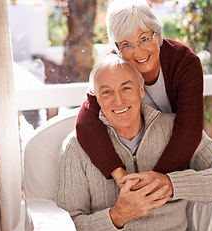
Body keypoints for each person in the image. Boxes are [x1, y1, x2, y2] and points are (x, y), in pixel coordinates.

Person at [56, 54, 212, 231]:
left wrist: (170, 184)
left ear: (141, 89)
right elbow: (63, 230)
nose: (118, 101)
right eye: (107, 92)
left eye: (126, 88)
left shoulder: (177, 130)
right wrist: (117, 216)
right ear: (96, 98)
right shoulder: (75, 148)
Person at [75, 0, 204, 186]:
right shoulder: (113, 67)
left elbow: (189, 129)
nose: (138, 51)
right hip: (136, 157)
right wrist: (120, 176)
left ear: (158, 34)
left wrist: (153, 182)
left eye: (144, 38)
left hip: (178, 159)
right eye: (126, 44)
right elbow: (85, 122)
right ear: (118, 48)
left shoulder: (185, 63)